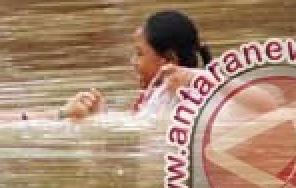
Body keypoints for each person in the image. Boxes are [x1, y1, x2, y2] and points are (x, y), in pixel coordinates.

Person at [67, 9, 211, 121]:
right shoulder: (156, 100)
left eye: (139, 53)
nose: (133, 62)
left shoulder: (196, 102)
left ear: (169, 60)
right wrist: (99, 116)